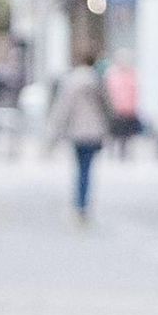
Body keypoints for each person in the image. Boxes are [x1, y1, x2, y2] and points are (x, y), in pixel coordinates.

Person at [46, 55, 112, 220]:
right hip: (94, 131)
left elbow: (63, 108)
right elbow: (107, 106)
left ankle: (79, 203)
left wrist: (53, 135)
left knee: (79, 168)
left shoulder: (70, 81)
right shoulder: (97, 80)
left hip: (76, 131)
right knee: (87, 169)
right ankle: (83, 203)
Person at [103, 50, 141, 159]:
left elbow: (135, 92)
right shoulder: (111, 74)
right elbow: (107, 92)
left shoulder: (132, 74)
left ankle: (123, 153)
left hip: (128, 110)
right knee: (114, 133)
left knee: (126, 134)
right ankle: (112, 152)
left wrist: (134, 107)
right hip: (114, 109)